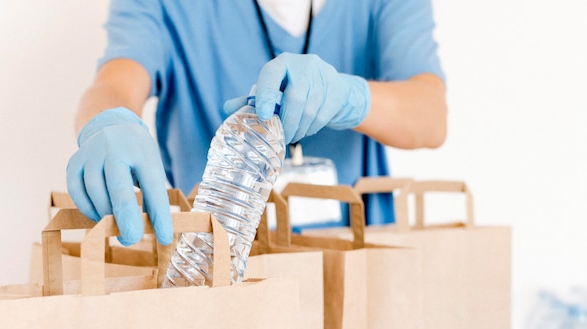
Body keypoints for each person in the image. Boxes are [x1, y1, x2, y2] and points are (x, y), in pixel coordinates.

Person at [66, 0, 447, 246]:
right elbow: (116, 82)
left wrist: (349, 97)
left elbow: (431, 116)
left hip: (357, 260)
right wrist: (106, 124)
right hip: (214, 266)